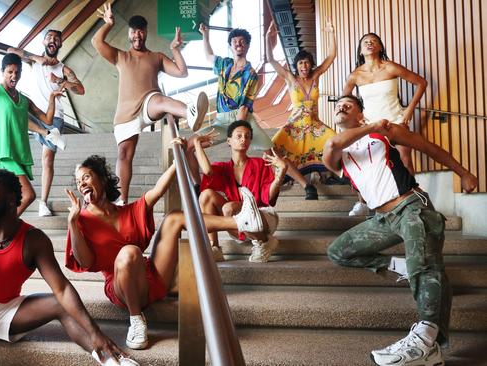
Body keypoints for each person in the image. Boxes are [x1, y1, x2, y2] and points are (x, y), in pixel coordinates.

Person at [0, 169, 138, 366]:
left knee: (59, 303)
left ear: (12, 199)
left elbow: (62, 289)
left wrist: (95, 332)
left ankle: (109, 359)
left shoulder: (34, 239)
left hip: (7, 312)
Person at [323, 95, 478, 366]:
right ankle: (402, 267)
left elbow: (428, 148)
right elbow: (334, 143)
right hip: (383, 219)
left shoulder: (385, 134)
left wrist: (463, 173)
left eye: (349, 104)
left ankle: (424, 342)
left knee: (427, 267)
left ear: (361, 112)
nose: (341, 106)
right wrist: (371, 126)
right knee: (339, 252)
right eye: (338, 105)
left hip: (411, 206)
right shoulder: (337, 153)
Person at [65, 153, 264, 349]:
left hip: (151, 276)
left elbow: (158, 190)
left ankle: (241, 222)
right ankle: (136, 321)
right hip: (122, 289)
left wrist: (181, 158)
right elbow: (84, 262)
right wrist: (73, 222)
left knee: (174, 217)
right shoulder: (81, 220)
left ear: (102, 179)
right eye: (78, 181)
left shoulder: (126, 211)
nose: (81, 183)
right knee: (129, 252)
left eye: (86, 177)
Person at [92, 4, 208, 204]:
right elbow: (96, 41)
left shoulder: (156, 57)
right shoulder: (120, 56)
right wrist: (109, 24)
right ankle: (121, 201)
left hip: (149, 104)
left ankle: (190, 112)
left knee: (159, 99)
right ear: (129, 34)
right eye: (133, 31)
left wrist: (174, 49)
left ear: (145, 33)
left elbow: (182, 72)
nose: (137, 34)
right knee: (124, 155)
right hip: (125, 113)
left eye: (140, 31)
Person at [0, 53, 63, 216]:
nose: (14, 76)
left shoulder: (24, 100)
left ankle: (0, 226)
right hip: (3, 153)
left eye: (17, 72)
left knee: (3, 200)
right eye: (10, 72)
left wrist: (52, 98)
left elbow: (47, 118)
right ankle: (5, 225)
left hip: (17, 153)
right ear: (2, 71)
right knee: (28, 195)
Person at [343, 32, 428, 216]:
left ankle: (412, 205)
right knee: (369, 165)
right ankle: (364, 202)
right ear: (360, 50)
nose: (370, 43)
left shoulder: (390, 67)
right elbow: (346, 100)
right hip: (372, 126)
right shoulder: (355, 75)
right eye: (365, 41)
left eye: (374, 41)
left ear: (380, 47)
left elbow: (421, 83)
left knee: (405, 160)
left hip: (396, 120)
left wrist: (409, 110)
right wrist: (357, 119)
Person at [8, 29, 86, 217]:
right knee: (15, 113)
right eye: (49, 37)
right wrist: (38, 58)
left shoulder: (63, 69)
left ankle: (43, 202)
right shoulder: (34, 62)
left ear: (59, 45)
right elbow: (11, 50)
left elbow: (81, 89)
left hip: (54, 116)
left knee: (46, 159)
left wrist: (60, 80)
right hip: (34, 113)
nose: (53, 40)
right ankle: (48, 134)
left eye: (56, 39)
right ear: (44, 42)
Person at [266, 19, 338, 200]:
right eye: (300, 64)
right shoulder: (291, 78)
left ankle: (332, 175)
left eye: (306, 63)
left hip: (314, 125)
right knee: (271, 149)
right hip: (295, 125)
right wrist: (269, 38)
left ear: (310, 64)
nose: (304, 66)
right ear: (296, 66)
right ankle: (300, 183)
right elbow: (271, 60)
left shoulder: (316, 76)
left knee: (336, 142)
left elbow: (331, 57)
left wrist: (331, 33)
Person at [195, 121, 287, 262]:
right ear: (229, 141)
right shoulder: (223, 168)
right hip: (235, 220)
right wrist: (196, 144)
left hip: (262, 217)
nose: (243, 139)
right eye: (239, 136)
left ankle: (264, 241)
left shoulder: (260, 164)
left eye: (247, 136)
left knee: (229, 207)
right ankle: (214, 247)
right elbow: (207, 171)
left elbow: (267, 196)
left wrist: (280, 175)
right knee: (206, 195)